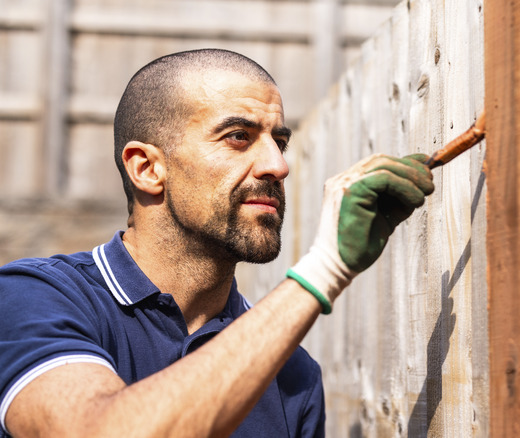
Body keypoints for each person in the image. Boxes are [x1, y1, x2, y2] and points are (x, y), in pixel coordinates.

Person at [0, 49, 434, 437]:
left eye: (279, 142)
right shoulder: (34, 297)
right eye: (238, 137)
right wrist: (324, 268)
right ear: (148, 168)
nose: (278, 165)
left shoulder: (292, 374)